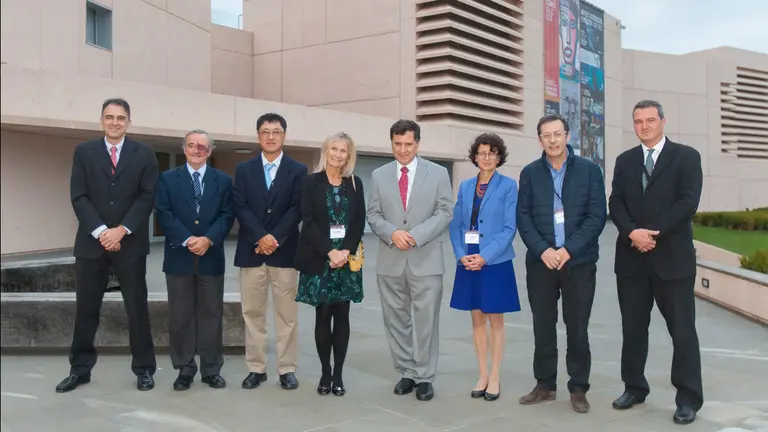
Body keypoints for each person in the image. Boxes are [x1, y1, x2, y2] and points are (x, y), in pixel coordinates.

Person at [609, 100, 703, 425]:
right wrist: (633, 232)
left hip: (672, 262)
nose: (644, 126)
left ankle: (688, 398)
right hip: (632, 261)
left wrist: (652, 233)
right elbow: (616, 202)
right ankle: (634, 387)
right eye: (638, 121)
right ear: (633, 125)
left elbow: (688, 202)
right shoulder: (624, 161)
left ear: (663, 121)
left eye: (650, 120)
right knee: (633, 330)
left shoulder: (687, 157)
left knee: (682, 332)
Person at [56, 98, 158, 393]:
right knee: (86, 308)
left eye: (121, 117)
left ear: (129, 121)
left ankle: (144, 369)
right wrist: (102, 231)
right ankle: (80, 369)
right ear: (102, 120)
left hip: (130, 244)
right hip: (92, 243)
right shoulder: (84, 152)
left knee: (137, 309)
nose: (115, 122)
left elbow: (147, 196)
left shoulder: (146, 154)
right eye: (109, 117)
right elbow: (79, 195)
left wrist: (121, 230)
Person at [516, 114, 606, 413]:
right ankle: (545, 385)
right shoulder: (530, 173)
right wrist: (543, 250)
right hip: (541, 263)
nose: (552, 140)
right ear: (539, 139)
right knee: (543, 326)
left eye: (557, 134)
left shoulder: (590, 170)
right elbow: (524, 217)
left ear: (567, 135)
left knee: (577, 328)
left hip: (578, 262)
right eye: (546, 135)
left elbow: (596, 216)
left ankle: (578, 388)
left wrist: (568, 249)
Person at [366, 119, 453, 402]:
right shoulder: (379, 175)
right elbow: (374, 214)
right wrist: (393, 233)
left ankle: (425, 376)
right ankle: (406, 372)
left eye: (408, 144)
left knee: (426, 322)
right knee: (396, 320)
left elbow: (444, 212)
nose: (403, 150)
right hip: (390, 260)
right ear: (391, 143)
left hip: (426, 259)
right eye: (397, 144)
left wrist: (415, 235)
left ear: (417, 143)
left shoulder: (438, 173)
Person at [154, 129, 235, 391]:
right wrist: (189, 240)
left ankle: (211, 369)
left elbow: (227, 214)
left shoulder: (223, 180)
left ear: (210, 151)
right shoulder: (167, 179)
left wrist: (208, 239)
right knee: (180, 316)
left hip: (211, 257)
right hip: (179, 257)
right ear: (184, 149)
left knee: (212, 313)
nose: (197, 150)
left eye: (202, 146)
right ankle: (184, 369)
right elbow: (164, 214)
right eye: (191, 145)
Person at [233, 113, 308, 390]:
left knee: (286, 314)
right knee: (252, 312)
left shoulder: (298, 170)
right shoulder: (244, 169)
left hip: (285, 251)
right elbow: (239, 205)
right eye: (265, 131)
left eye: (276, 131)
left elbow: (297, 208)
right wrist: (260, 236)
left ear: (284, 135)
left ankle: (287, 368)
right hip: (251, 251)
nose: (271, 136)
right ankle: (256, 368)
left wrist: (275, 237)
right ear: (258, 136)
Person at [448, 133, 521, 402]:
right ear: (474, 156)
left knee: (495, 320)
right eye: (482, 153)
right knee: (476, 317)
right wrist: (461, 255)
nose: (486, 157)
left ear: (499, 157)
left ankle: (495, 376)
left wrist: (485, 257)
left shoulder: (508, 186)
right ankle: (481, 373)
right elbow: (456, 224)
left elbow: (508, 228)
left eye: (492, 152)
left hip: (495, 261)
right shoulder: (466, 186)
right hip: (468, 259)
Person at [294, 132, 366, 397]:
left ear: (349, 155)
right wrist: (330, 252)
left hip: (347, 261)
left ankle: (339, 375)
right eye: (333, 149)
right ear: (326, 151)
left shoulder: (355, 183)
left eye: (343, 150)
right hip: (320, 258)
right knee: (323, 316)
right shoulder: (311, 183)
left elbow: (359, 221)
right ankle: (325, 372)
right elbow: (308, 221)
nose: (337, 154)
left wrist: (344, 250)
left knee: (343, 316)